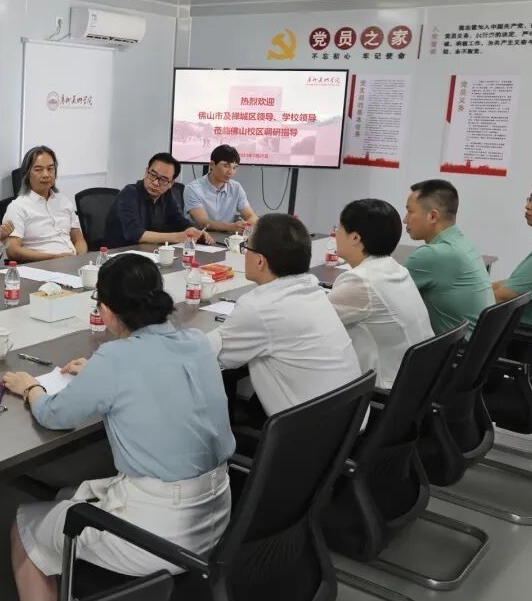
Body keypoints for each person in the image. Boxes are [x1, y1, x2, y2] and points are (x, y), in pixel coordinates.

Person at [1, 254, 234, 601]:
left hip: (159, 532)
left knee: (25, 527)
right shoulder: (197, 341)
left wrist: (31, 388)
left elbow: (53, 415)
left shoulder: (115, 358)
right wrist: (99, 373)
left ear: (107, 311)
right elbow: (155, 373)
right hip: (218, 514)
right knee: (69, 496)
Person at [207, 213, 361, 417]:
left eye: (246, 248)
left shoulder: (261, 307)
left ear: (260, 261)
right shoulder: (313, 291)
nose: (245, 254)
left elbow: (209, 355)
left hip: (309, 431)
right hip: (349, 419)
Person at [329, 199, 433, 390]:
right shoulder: (396, 269)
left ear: (355, 237)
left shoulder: (360, 281)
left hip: (383, 390)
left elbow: (315, 323)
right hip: (415, 384)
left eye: (339, 228)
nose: (336, 234)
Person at [403, 179, 494, 334]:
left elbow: (384, 297)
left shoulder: (433, 254)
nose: (405, 219)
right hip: (476, 343)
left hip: (455, 347)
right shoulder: (464, 244)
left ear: (433, 216)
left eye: (410, 211)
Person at [104, 152, 211, 248]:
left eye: (163, 180)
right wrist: (178, 237)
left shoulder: (166, 195)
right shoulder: (129, 193)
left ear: (171, 183)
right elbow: (135, 233)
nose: (155, 183)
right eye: (152, 175)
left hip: (149, 251)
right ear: (146, 171)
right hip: (119, 252)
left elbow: (179, 221)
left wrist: (195, 231)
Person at [3, 146, 87, 262]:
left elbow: (79, 240)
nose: (46, 174)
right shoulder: (17, 207)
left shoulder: (64, 202)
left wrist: (80, 259)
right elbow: (13, 251)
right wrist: (54, 258)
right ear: (27, 174)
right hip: (41, 266)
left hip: (72, 263)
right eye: (38, 170)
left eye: (50, 169)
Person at [492, 179, 532, 328]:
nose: (528, 206)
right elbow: (512, 284)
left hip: (522, 335)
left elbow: (502, 298)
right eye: (530, 199)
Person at [183, 144, 260, 232]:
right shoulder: (193, 189)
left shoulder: (236, 188)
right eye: (226, 166)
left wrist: (247, 225)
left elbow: (251, 216)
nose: (230, 172)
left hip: (227, 237)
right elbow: (203, 222)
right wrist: (231, 227)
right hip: (200, 236)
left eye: (234, 167)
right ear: (212, 165)